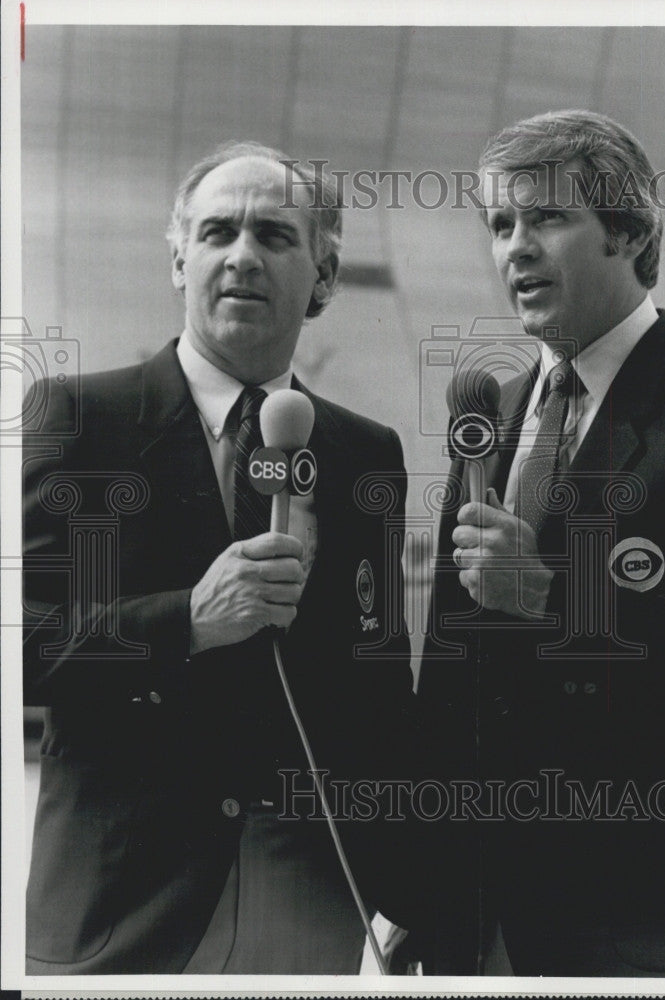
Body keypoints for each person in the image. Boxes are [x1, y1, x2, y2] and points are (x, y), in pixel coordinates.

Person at [23, 142, 415, 974]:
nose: (242, 253)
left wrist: (413, 887)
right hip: (124, 896)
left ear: (325, 275)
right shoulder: (80, 419)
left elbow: (380, 686)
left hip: (307, 889)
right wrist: (188, 623)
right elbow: (26, 646)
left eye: (275, 235)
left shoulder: (364, 452)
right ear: (179, 258)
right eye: (216, 232)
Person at [418, 110, 665, 976]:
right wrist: (418, 883)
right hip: (474, 913)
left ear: (631, 231)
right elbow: (451, 670)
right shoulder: (486, 412)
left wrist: (552, 595)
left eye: (545, 218)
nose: (513, 249)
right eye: (499, 225)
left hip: (634, 916)